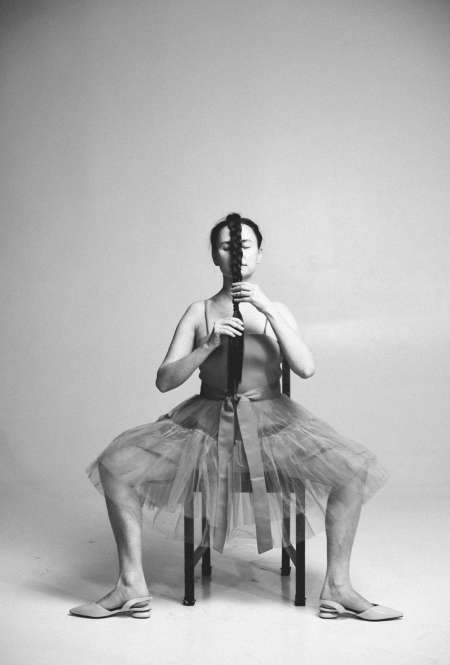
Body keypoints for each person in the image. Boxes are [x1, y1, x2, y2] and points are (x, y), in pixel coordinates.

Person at [69, 212, 403, 621]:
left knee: (352, 470)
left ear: (259, 254)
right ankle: (130, 583)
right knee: (115, 464)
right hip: (207, 427)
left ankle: (338, 587)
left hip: (274, 426)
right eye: (227, 247)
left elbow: (306, 367)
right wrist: (207, 345)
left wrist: (267, 310)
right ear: (215, 256)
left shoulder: (276, 310)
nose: (237, 254)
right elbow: (164, 381)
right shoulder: (199, 311)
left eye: (245, 246)